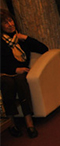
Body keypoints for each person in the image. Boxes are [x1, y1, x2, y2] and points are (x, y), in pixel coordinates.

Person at [0, 9, 48, 138]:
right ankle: (12, 122)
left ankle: (29, 121)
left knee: (21, 81)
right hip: (5, 73)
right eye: (5, 23)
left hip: (21, 73)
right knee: (8, 83)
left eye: (10, 21)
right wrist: (15, 70)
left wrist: (25, 38)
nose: (10, 24)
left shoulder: (20, 39)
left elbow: (44, 49)